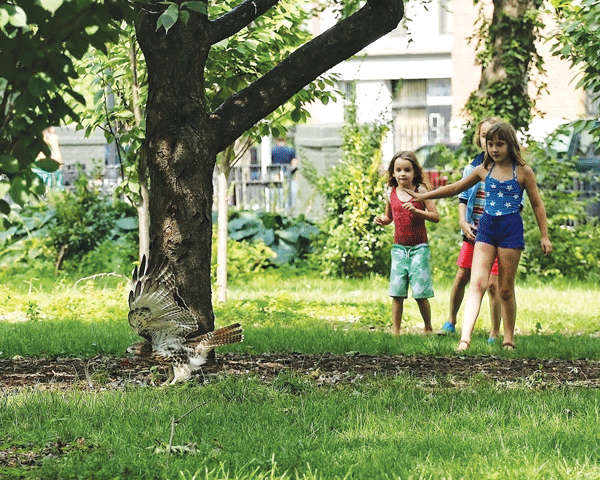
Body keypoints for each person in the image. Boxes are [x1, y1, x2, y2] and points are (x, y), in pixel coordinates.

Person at [405, 122, 552, 351]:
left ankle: (508, 339)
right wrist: (423, 195)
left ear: (510, 144)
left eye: (500, 144)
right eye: (490, 144)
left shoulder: (523, 172)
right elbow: (456, 188)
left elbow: (537, 205)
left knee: (504, 288)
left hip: (511, 229)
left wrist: (545, 236)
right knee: (477, 284)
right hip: (486, 228)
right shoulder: (484, 169)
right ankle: (465, 339)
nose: (494, 149)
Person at [437, 117, 502, 343]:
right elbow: (463, 197)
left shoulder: (508, 169)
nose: (489, 142)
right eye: (485, 136)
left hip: (496, 235)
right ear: (479, 139)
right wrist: (463, 223)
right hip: (473, 233)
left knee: (493, 284)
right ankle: (451, 321)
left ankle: (495, 332)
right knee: (462, 276)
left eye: (494, 138)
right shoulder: (472, 168)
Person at [374, 151, 440, 335]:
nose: (403, 173)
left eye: (407, 170)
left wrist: (417, 211)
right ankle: (395, 331)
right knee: (397, 292)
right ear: (393, 173)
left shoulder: (420, 191)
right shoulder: (391, 193)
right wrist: (382, 220)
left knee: (420, 292)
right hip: (398, 250)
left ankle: (428, 328)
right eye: (399, 170)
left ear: (415, 172)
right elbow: (389, 218)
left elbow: (435, 217)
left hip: (419, 248)